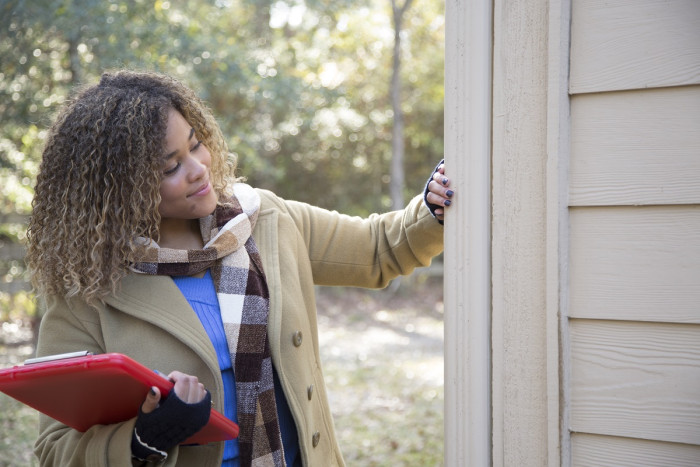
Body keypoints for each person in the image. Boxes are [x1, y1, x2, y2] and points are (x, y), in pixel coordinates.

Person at [26, 70, 454, 467]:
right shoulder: (89, 288)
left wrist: (432, 207)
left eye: (195, 144)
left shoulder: (263, 219)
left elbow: (377, 250)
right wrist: (144, 437)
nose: (199, 169)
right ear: (120, 191)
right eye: (171, 167)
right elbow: (54, 448)